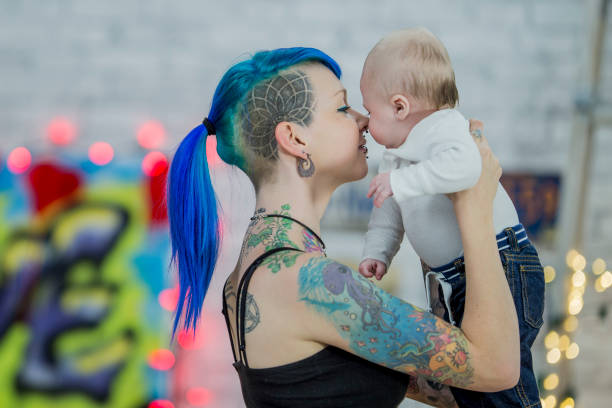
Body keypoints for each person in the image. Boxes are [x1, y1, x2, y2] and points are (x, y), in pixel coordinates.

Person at [166, 47, 520, 408]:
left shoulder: (258, 272)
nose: (364, 119)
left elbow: (459, 388)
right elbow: (498, 367)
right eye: (342, 108)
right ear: (295, 138)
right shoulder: (305, 281)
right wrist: (475, 209)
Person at [358, 28, 545, 407]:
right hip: (457, 278)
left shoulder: (443, 128)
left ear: (399, 107)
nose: (364, 121)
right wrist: (378, 251)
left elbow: (465, 168)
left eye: (369, 109)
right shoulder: (398, 156)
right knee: (471, 381)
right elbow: (389, 215)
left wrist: (401, 180)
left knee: (500, 384)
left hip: (503, 265)